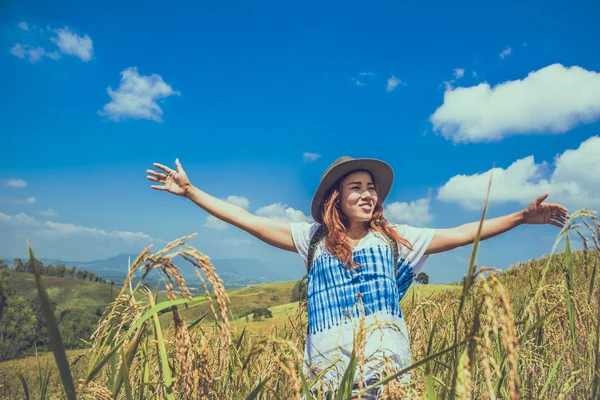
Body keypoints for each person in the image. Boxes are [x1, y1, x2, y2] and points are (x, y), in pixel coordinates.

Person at [146, 156, 568, 398]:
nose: (368, 193)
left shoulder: (395, 240)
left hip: (388, 372)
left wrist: (519, 218)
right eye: (356, 187)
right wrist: (191, 192)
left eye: (372, 187)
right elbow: (249, 221)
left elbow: (460, 234)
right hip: (328, 375)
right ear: (337, 198)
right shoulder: (312, 239)